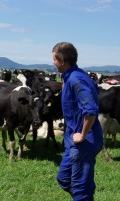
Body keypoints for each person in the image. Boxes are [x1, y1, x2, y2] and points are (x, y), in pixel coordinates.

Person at [52, 42, 103, 201]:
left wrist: (82, 135)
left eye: (54, 58)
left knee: (80, 189)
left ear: (61, 59)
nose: (53, 62)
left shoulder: (76, 79)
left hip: (83, 143)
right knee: (64, 178)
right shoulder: (72, 76)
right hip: (72, 140)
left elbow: (91, 110)